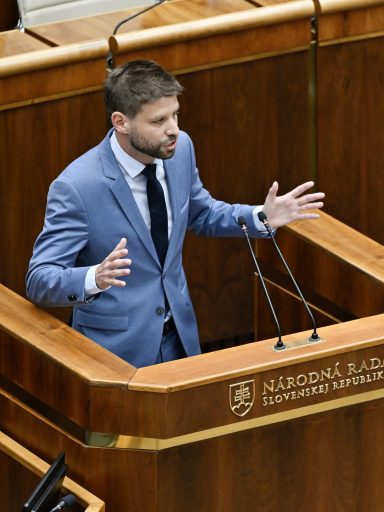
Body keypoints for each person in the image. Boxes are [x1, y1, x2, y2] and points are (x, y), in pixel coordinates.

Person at [26, 59, 325, 368]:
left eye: (175, 114)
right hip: (116, 354)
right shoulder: (77, 187)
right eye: (158, 121)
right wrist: (94, 278)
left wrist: (260, 217)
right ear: (121, 122)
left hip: (180, 340)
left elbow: (202, 213)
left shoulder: (180, 150)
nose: (174, 130)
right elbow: (39, 279)